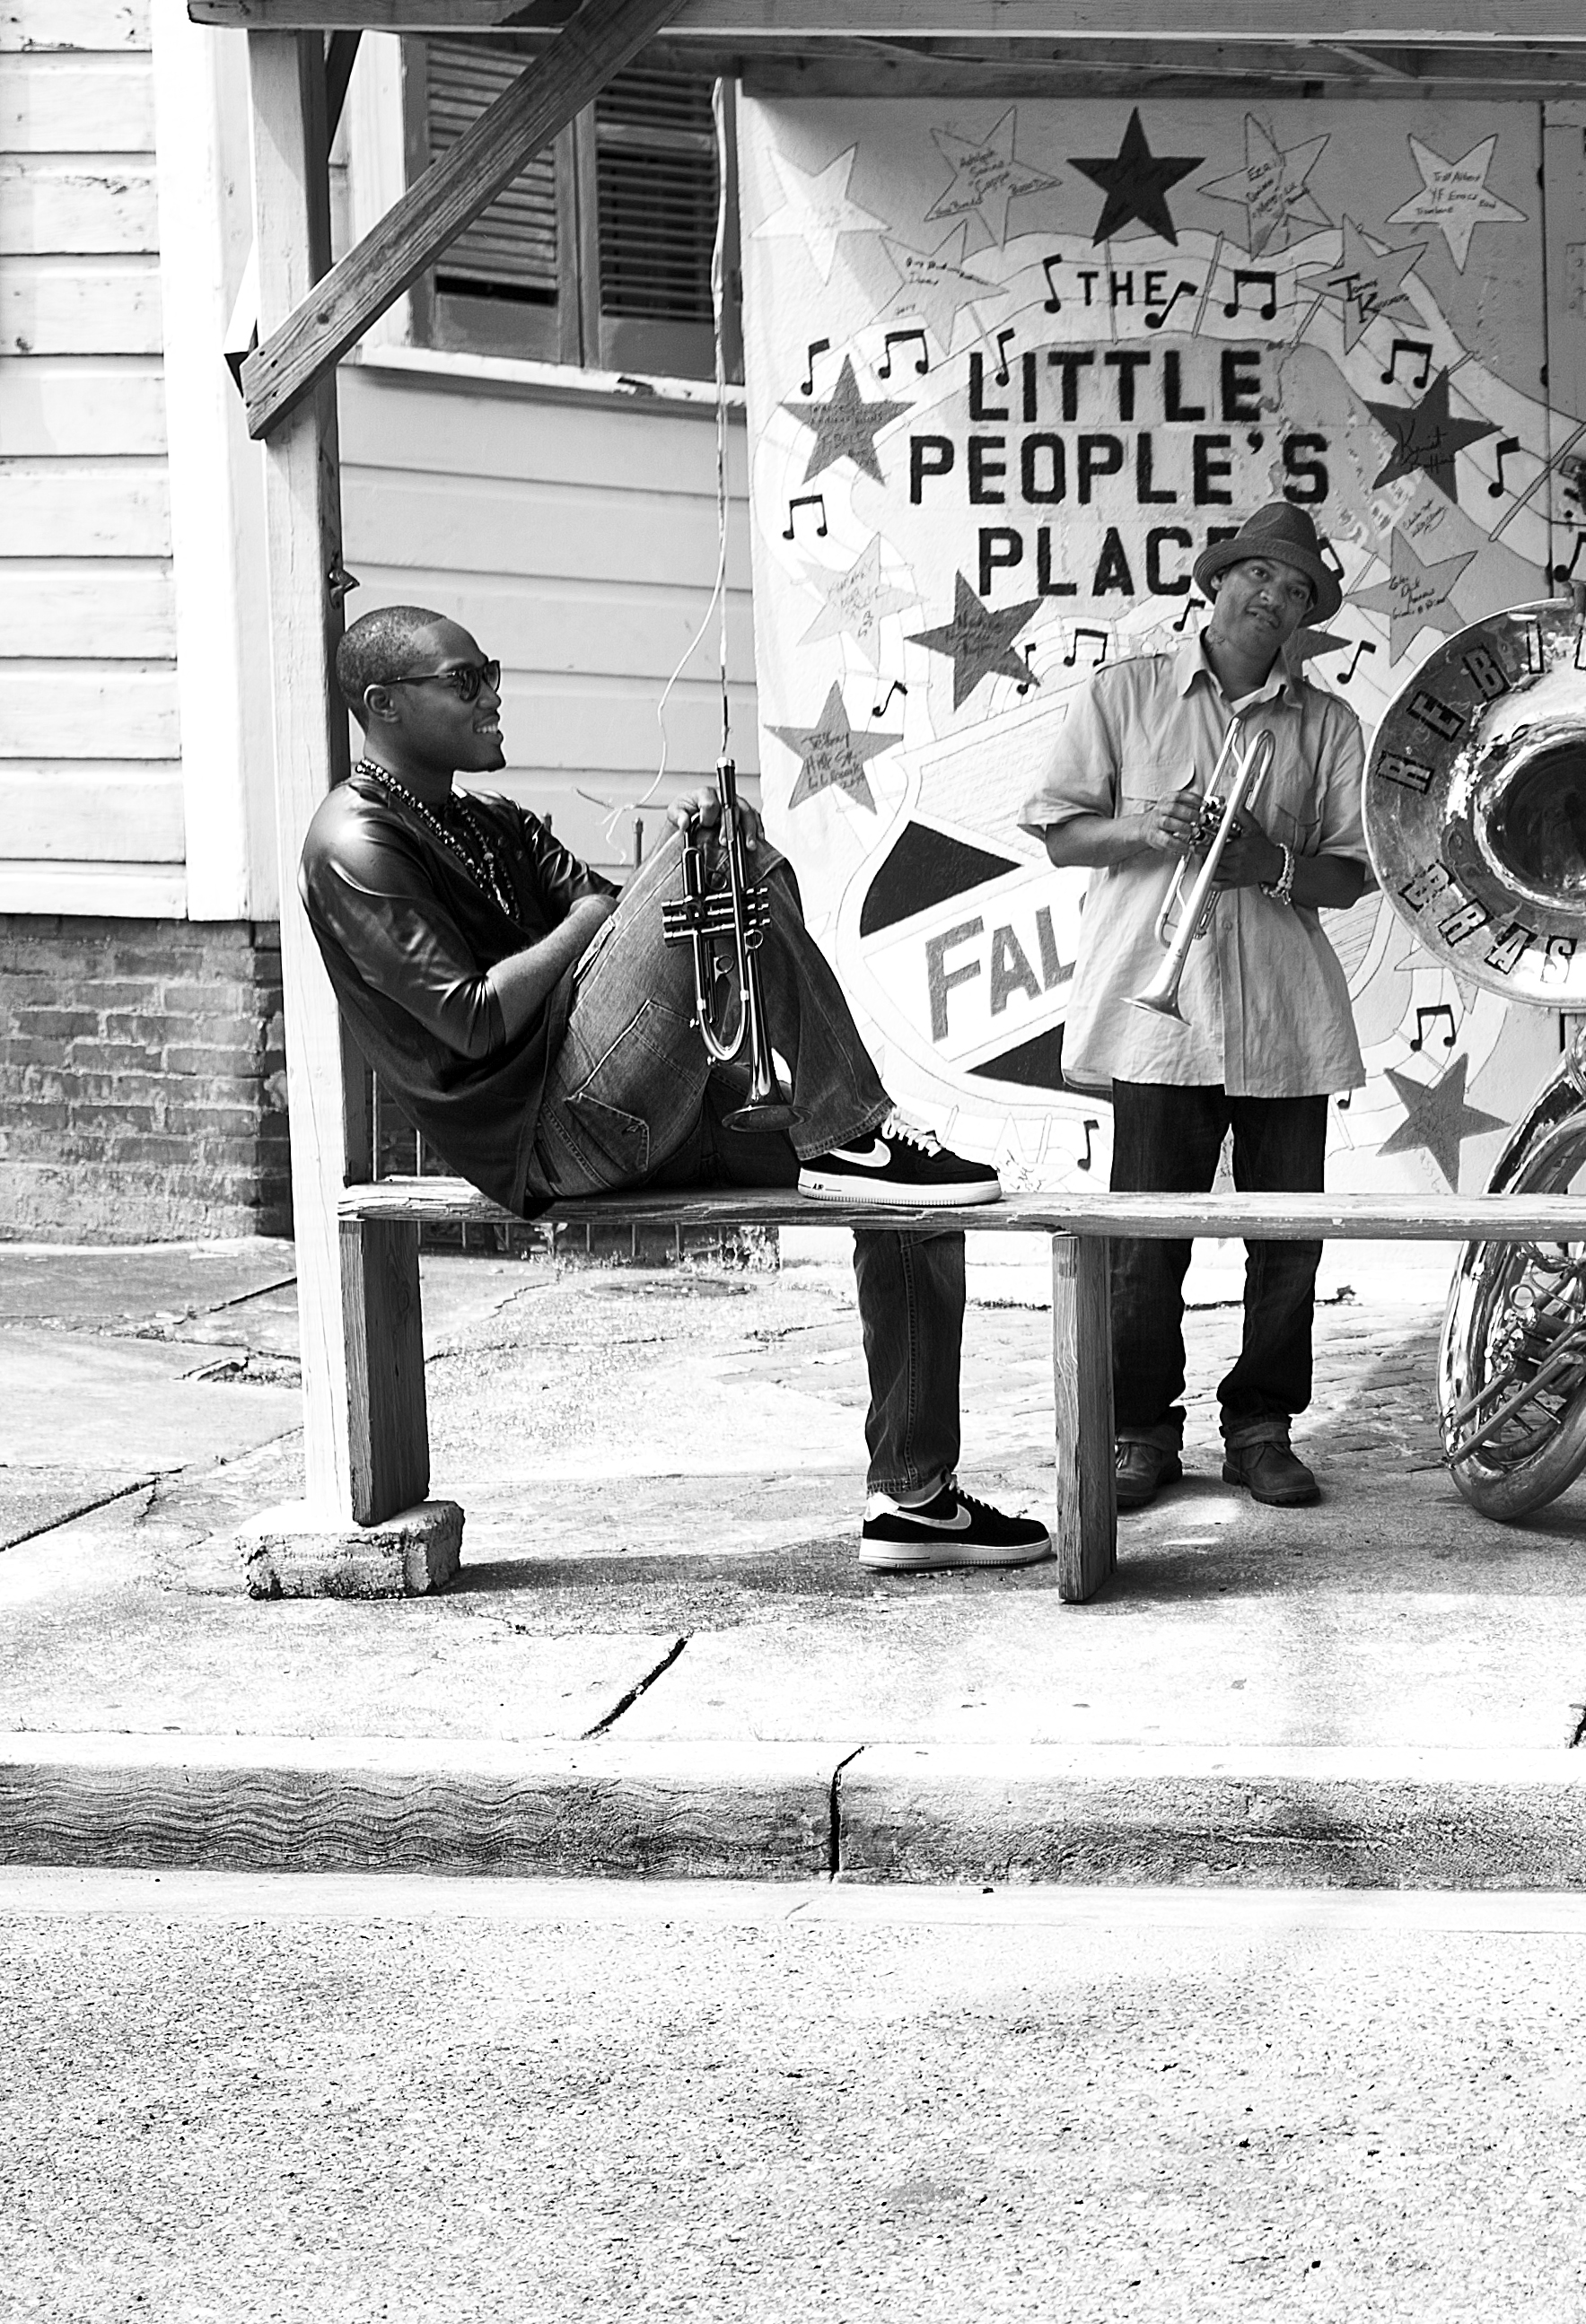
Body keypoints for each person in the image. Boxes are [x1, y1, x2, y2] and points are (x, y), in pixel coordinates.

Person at [298, 604, 1036, 1575]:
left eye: (493, 669)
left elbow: (626, 934)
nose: (494, 693)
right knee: (721, 859)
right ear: (384, 705)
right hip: (550, 1135)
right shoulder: (354, 842)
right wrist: (609, 913)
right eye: (466, 679)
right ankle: (846, 1123)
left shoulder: (484, 820)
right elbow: (473, 1014)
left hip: (623, 1097)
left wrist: (643, 895)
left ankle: (914, 1500)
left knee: (913, 1206)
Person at [1025, 500, 1373, 1514]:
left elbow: (1350, 877)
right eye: (1261, 576)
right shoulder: (1126, 693)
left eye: (1297, 590)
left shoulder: (1328, 724)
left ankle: (1261, 1429)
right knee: (1143, 1244)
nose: (1276, 597)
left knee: (1286, 1242)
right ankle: (1140, 1431)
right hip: (1157, 1015)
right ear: (1216, 584)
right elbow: (1059, 833)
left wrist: (1270, 862)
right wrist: (1150, 829)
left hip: (1284, 1018)